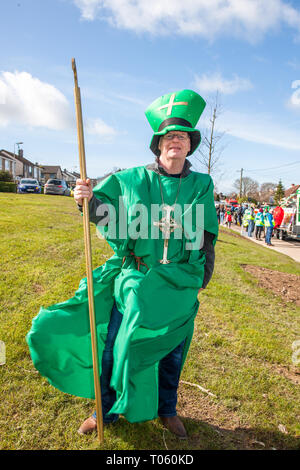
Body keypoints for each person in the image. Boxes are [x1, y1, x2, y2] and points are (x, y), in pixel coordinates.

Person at [26, 89, 218, 440]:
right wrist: (85, 199)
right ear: (158, 146)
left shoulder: (201, 184)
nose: (175, 141)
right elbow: (102, 209)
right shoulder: (131, 180)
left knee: (172, 354)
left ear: (190, 145)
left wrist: (201, 278)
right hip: (135, 280)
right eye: (168, 137)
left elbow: (206, 235)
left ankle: (167, 409)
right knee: (116, 345)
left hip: (178, 284)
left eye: (182, 137)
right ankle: (105, 411)